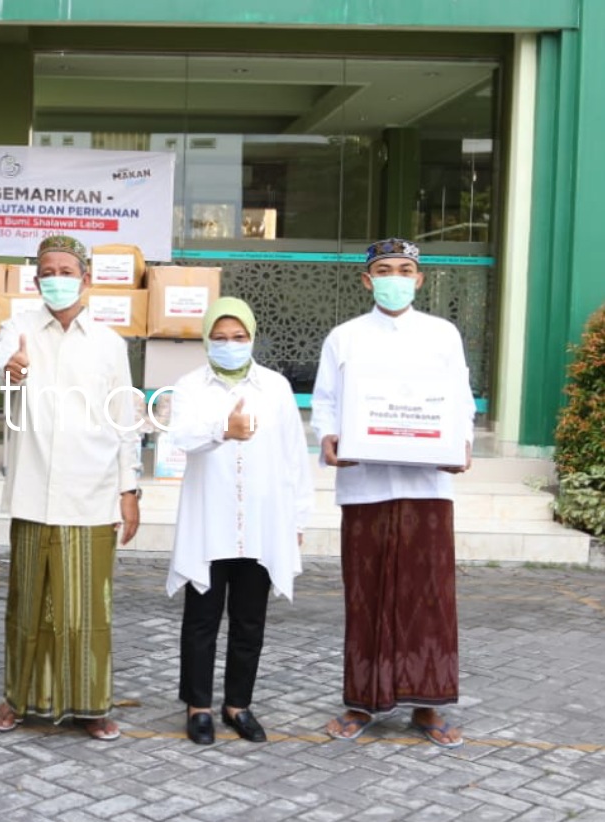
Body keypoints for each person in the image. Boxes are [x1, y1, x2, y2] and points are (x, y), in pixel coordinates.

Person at [311, 238, 475, 749]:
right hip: (366, 487)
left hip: (428, 486)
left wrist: (462, 443)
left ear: (419, 280)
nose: (395, 278)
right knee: (367, 595)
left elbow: (461, 399)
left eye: (405, 270)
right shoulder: (344, 337)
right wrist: (328, 437)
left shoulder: (442, 334)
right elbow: (325, 400)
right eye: (385, 270)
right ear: (367, 280)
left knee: (429, 597)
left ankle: (428, 705)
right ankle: (362, 703)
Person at [0, 234, 142, 741]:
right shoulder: (19, 329)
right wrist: (10, 370)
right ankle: (17, 700)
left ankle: (91, 705)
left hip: (92, 493)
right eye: (47, 272)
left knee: (86, 610)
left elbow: (126, 419)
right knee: (27, 607)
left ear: (86, 278)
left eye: (66, 271)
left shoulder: (109, 344)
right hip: (33, 492)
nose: (56, 279)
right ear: (36, 281)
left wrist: (129, 490)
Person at [166, 297, 312, 745]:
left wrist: (298, 518)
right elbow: (180, 437)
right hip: (210, 521)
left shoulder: (276, 387)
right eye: (220, 337)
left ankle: (237, 705)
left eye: (239, 337)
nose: (229, 345)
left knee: (250, 620)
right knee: (202, 619)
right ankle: (198, 707)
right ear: (207, 339)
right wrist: (222, 430)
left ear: (252, 337)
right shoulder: (190, 386)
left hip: (262, 522)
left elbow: (294, 455)